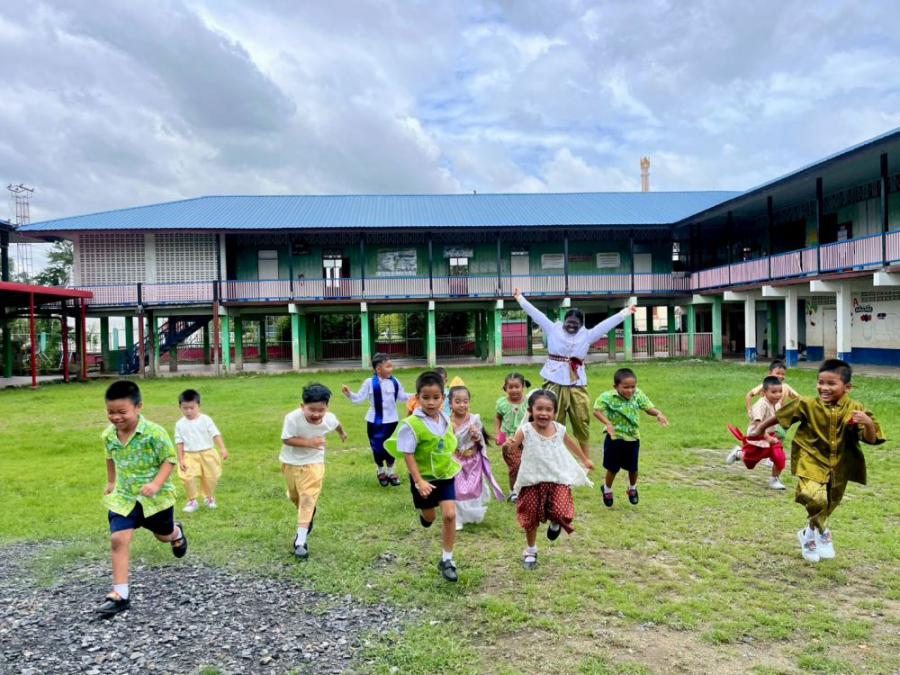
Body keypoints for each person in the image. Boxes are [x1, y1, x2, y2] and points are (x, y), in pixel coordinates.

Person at [752, 359, 884, 563]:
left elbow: (871, 439)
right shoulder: (807, 404)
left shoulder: (856, 408)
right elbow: (782, 415)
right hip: (810, 458)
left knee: (829, 504)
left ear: (847, 387)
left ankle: (808, 535)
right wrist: (760, 428)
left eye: (831, 383)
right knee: (814, 497)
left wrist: (867, 423)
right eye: (820, 382)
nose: (824, 387)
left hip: (840, 465)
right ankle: (823, 532)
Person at [96, 380, 187, 616]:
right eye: (110, 412)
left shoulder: (154, 433)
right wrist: (112, 482)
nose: (116, 417)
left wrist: (156, 484)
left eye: (121, 411)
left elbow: (169, 459)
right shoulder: (109, 436)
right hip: (125, 498)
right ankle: (120, 595)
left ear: (138, 407)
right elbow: (109, 457)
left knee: (163, 535)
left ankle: (176, 533)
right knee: (118, 539)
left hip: (155, 499)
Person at [514, 288, 637, 457]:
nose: (571, 326)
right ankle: (554, 456)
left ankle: (585, 458)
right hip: (554, 380)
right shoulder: (553, 328)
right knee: (553, 420)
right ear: (564, 321)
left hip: (577, 383)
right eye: (569, 323)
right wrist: (520, 298)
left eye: (576, 324)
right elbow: (536, 314)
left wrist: (625, 312)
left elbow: (606, 325)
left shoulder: (587, 335)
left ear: (581, 325)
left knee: (582, 420)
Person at [502, 390, 594, 570]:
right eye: (539, 409)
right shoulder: (526, 430)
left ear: (555, 412)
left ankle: (555, 523)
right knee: (530, 517)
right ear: (531, 410)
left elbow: (571, 444)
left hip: (557, 478)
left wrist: (584, 459)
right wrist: (507, 447)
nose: (543, 413)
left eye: (548, 410)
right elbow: (512, 449)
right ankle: (531, 551)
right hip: (532, 480)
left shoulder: (559, 429)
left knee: (560, 511)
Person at [385, 371, 462, 582]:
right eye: (426, 397)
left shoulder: (446, 419)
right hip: (424, 479)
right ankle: (424, 515)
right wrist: (418, 481)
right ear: (417, 398)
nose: (431, 402)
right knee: (430, 517)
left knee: (449, 515)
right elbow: (408, 454)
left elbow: (448, 443)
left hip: (445, 475)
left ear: (443, 398)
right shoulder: (412, 424)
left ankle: (447, 559)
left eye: (436, 397)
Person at [280, 383, 348, 560]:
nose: (316, 414)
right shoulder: (292, 418)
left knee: (308, 497)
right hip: (290, 462)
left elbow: (336, 424)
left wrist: (342, 433)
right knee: (295, 496)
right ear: (302, 406)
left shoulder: (329, 418)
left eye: (321, 410)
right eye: (312, 410)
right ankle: (308, 514)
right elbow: (286, 439)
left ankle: (300, 541)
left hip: (314, 463)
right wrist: (310, 443)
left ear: (327, 408)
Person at [592, 368, 668, 507]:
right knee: (613, 468)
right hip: (615, 437)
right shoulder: (607, 397)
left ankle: (632, 488)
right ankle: (607, 489)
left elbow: (647, 408)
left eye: (633, 387)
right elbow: (596, 411)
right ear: (616, 386)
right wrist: (607, 423)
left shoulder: (638, 395)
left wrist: (658, 413)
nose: (630, 390)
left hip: (633, 437)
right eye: (625, 387)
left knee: (633, 468)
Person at [342, 353, 409, 487]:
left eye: (391, 366)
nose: (391, 369)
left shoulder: (395, 382)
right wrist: (349, 394)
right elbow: (359, 399)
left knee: (391, 446)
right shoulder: (369, 383)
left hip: (392, 421)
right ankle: (380, 470)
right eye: (388, 366)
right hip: (374, 422)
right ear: (378, 369)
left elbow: (402, 397)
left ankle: (391, 471)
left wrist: (417, 395)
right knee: (377, 448)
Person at [449, 384, 504, 530]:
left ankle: (471, 515)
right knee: (457, 489)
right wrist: (452, 433)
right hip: (456, 461)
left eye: (465, 401)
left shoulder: (474, 420)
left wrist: (476, 436)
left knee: (473, 488)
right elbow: (446, 443)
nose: (462, 405)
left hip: (473, 461)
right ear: (450, 404)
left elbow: (481, 440)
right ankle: (457, 518)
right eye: (458, 401)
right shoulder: (447, 422)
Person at [725, 376, 787, 490]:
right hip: (757, 438)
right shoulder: (761, 405)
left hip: (771, 437)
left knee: (780, 458)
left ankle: (774, 480)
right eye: (774, 392)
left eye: (780, 391)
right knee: (749, 463)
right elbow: (759, 426)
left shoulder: (777, 403)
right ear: (764, 392)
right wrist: (767, 438)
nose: (778, 395)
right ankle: (738, 453)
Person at [174, 389, 228, 512]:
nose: (188, 411)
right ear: (180, 407)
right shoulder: (179, 424)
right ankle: (192, 501)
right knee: (187, 476)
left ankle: (209, 497)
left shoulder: (206, 420)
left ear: (199, 406)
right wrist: (181, 459)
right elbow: (179, 442)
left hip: (208, 453)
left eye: (192, 408)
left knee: (211, 476)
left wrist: (222, 448)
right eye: (185, 408)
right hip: (189, 454)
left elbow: (215, 434)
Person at [494, 372, 531, 502]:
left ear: (523, 386)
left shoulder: (529, 403)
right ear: (505, 388)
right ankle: (513, 492)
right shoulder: (502, 403)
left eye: (517, 387)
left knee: (527, 465)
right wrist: (499, 436)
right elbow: (498, 419)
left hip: (526, 439)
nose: (514, 390)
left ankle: (526, 489)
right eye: (510, 387)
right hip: (509, 440)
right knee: (515, 465)